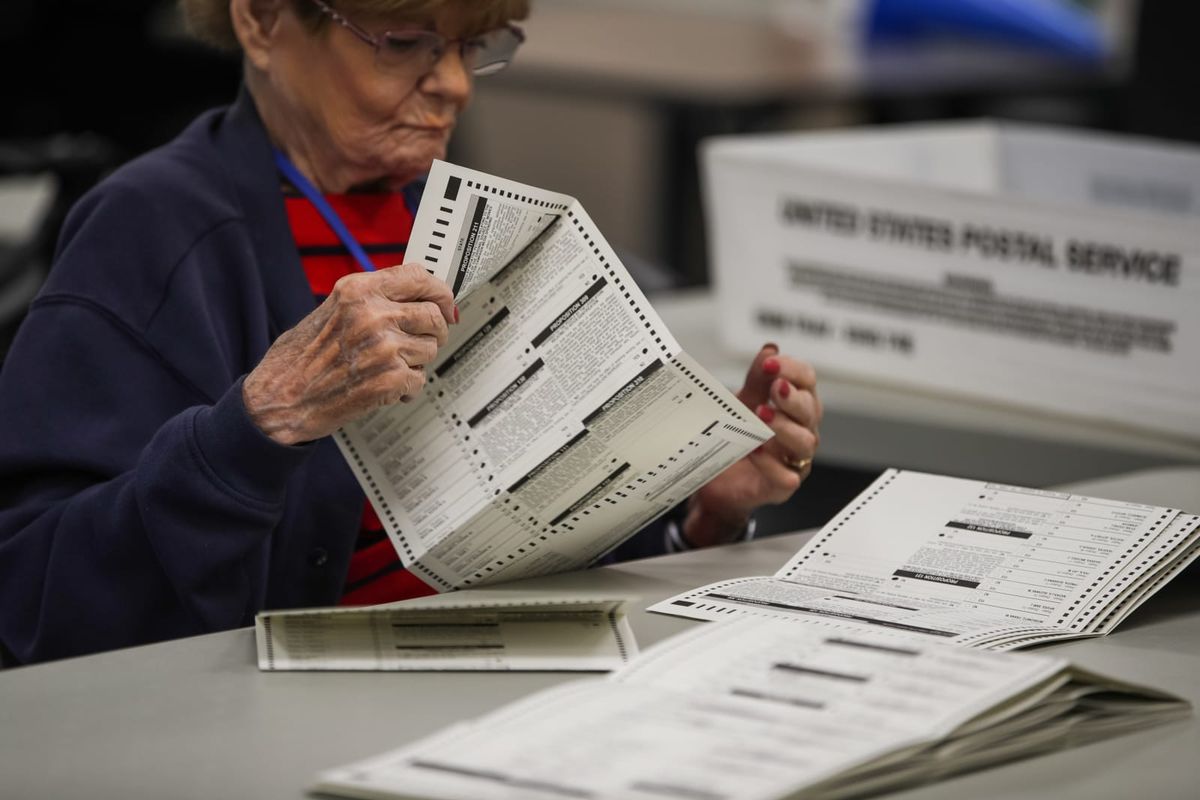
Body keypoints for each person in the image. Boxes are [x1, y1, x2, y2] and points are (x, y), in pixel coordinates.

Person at [0, 0, 822, 665]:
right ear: (259, 21)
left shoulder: (475, 221)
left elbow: (545, 521)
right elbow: (33, 599)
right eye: (404, 43)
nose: (457, 85)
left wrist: (696, 505)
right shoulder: (152, 233)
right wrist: (257, 425)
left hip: (511, 680)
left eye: (475, 45)